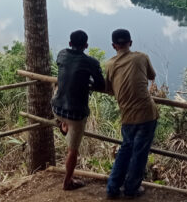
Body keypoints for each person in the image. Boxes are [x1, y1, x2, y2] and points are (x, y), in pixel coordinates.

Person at [104, 28, 159, 199]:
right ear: (131, 43)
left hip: (127, 115)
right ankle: (131, 189)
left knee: (125, 150)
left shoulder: (109, 64)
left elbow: (108, 88)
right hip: (147, 114)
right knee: (139, 153)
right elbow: (152, 75)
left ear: (114, 46)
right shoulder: (141, 57)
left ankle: (112, 188)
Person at [51, 29, 105, 190]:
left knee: (57, 90)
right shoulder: (91, 62)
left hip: (56, 107)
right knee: (73, 150)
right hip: (75, 113)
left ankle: (63, 124)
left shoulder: (61, 54)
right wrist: (87, 83)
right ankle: (68, 181)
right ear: (86, 45)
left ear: (69, 44)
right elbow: (101, 85)